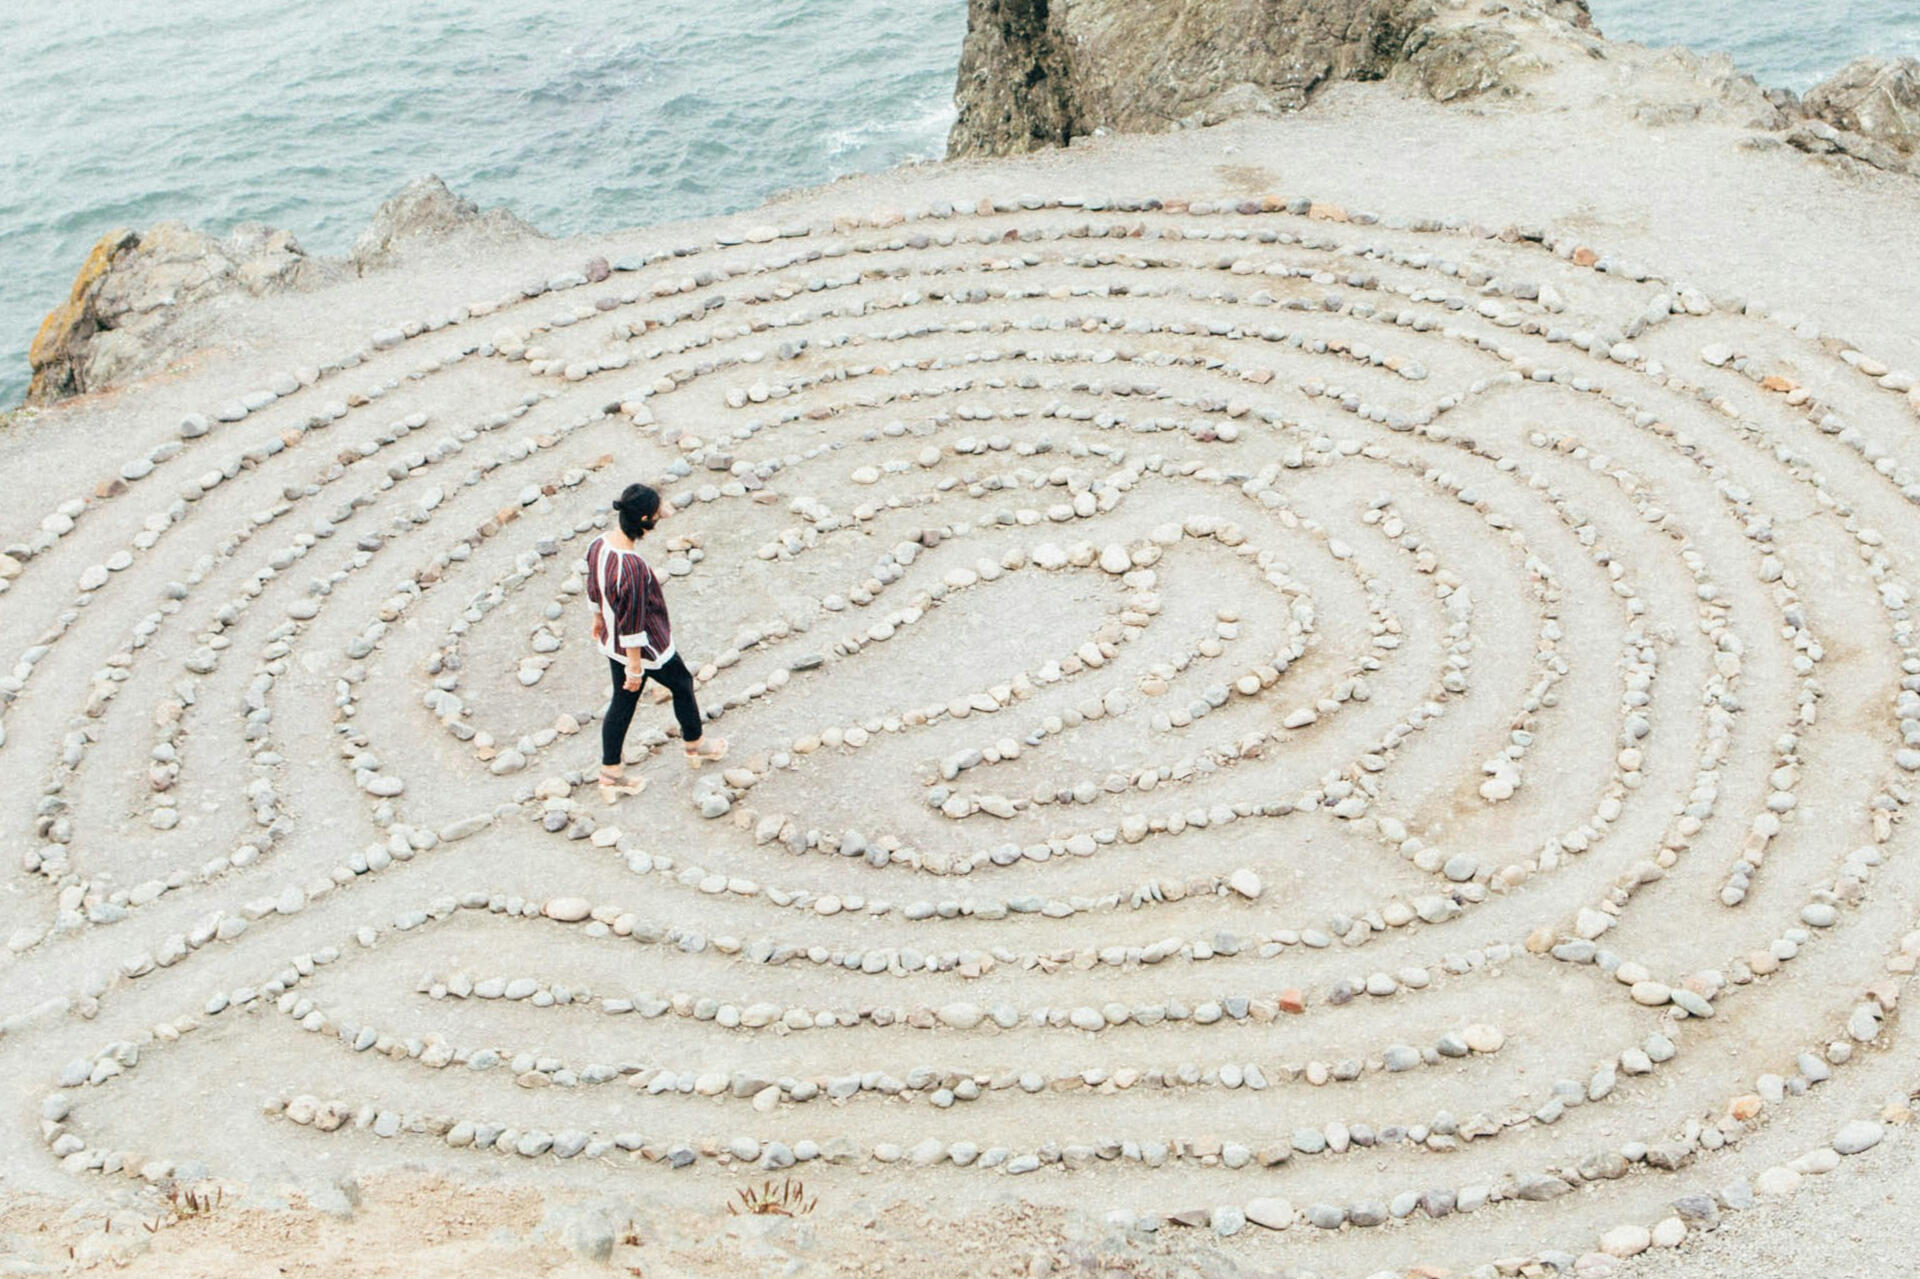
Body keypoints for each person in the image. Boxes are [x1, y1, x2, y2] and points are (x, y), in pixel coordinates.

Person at [585, 482, 725, 803]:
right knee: (682, 684)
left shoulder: (599, 544)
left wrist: (596, 618)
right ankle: (695, 744)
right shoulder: (631, 568)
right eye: (657, 515)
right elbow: (633, 619)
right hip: (647, 649)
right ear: (645, 520)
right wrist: (635, 666)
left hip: (612, 641)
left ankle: (611, 773)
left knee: (622, 706)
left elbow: (593, 585)